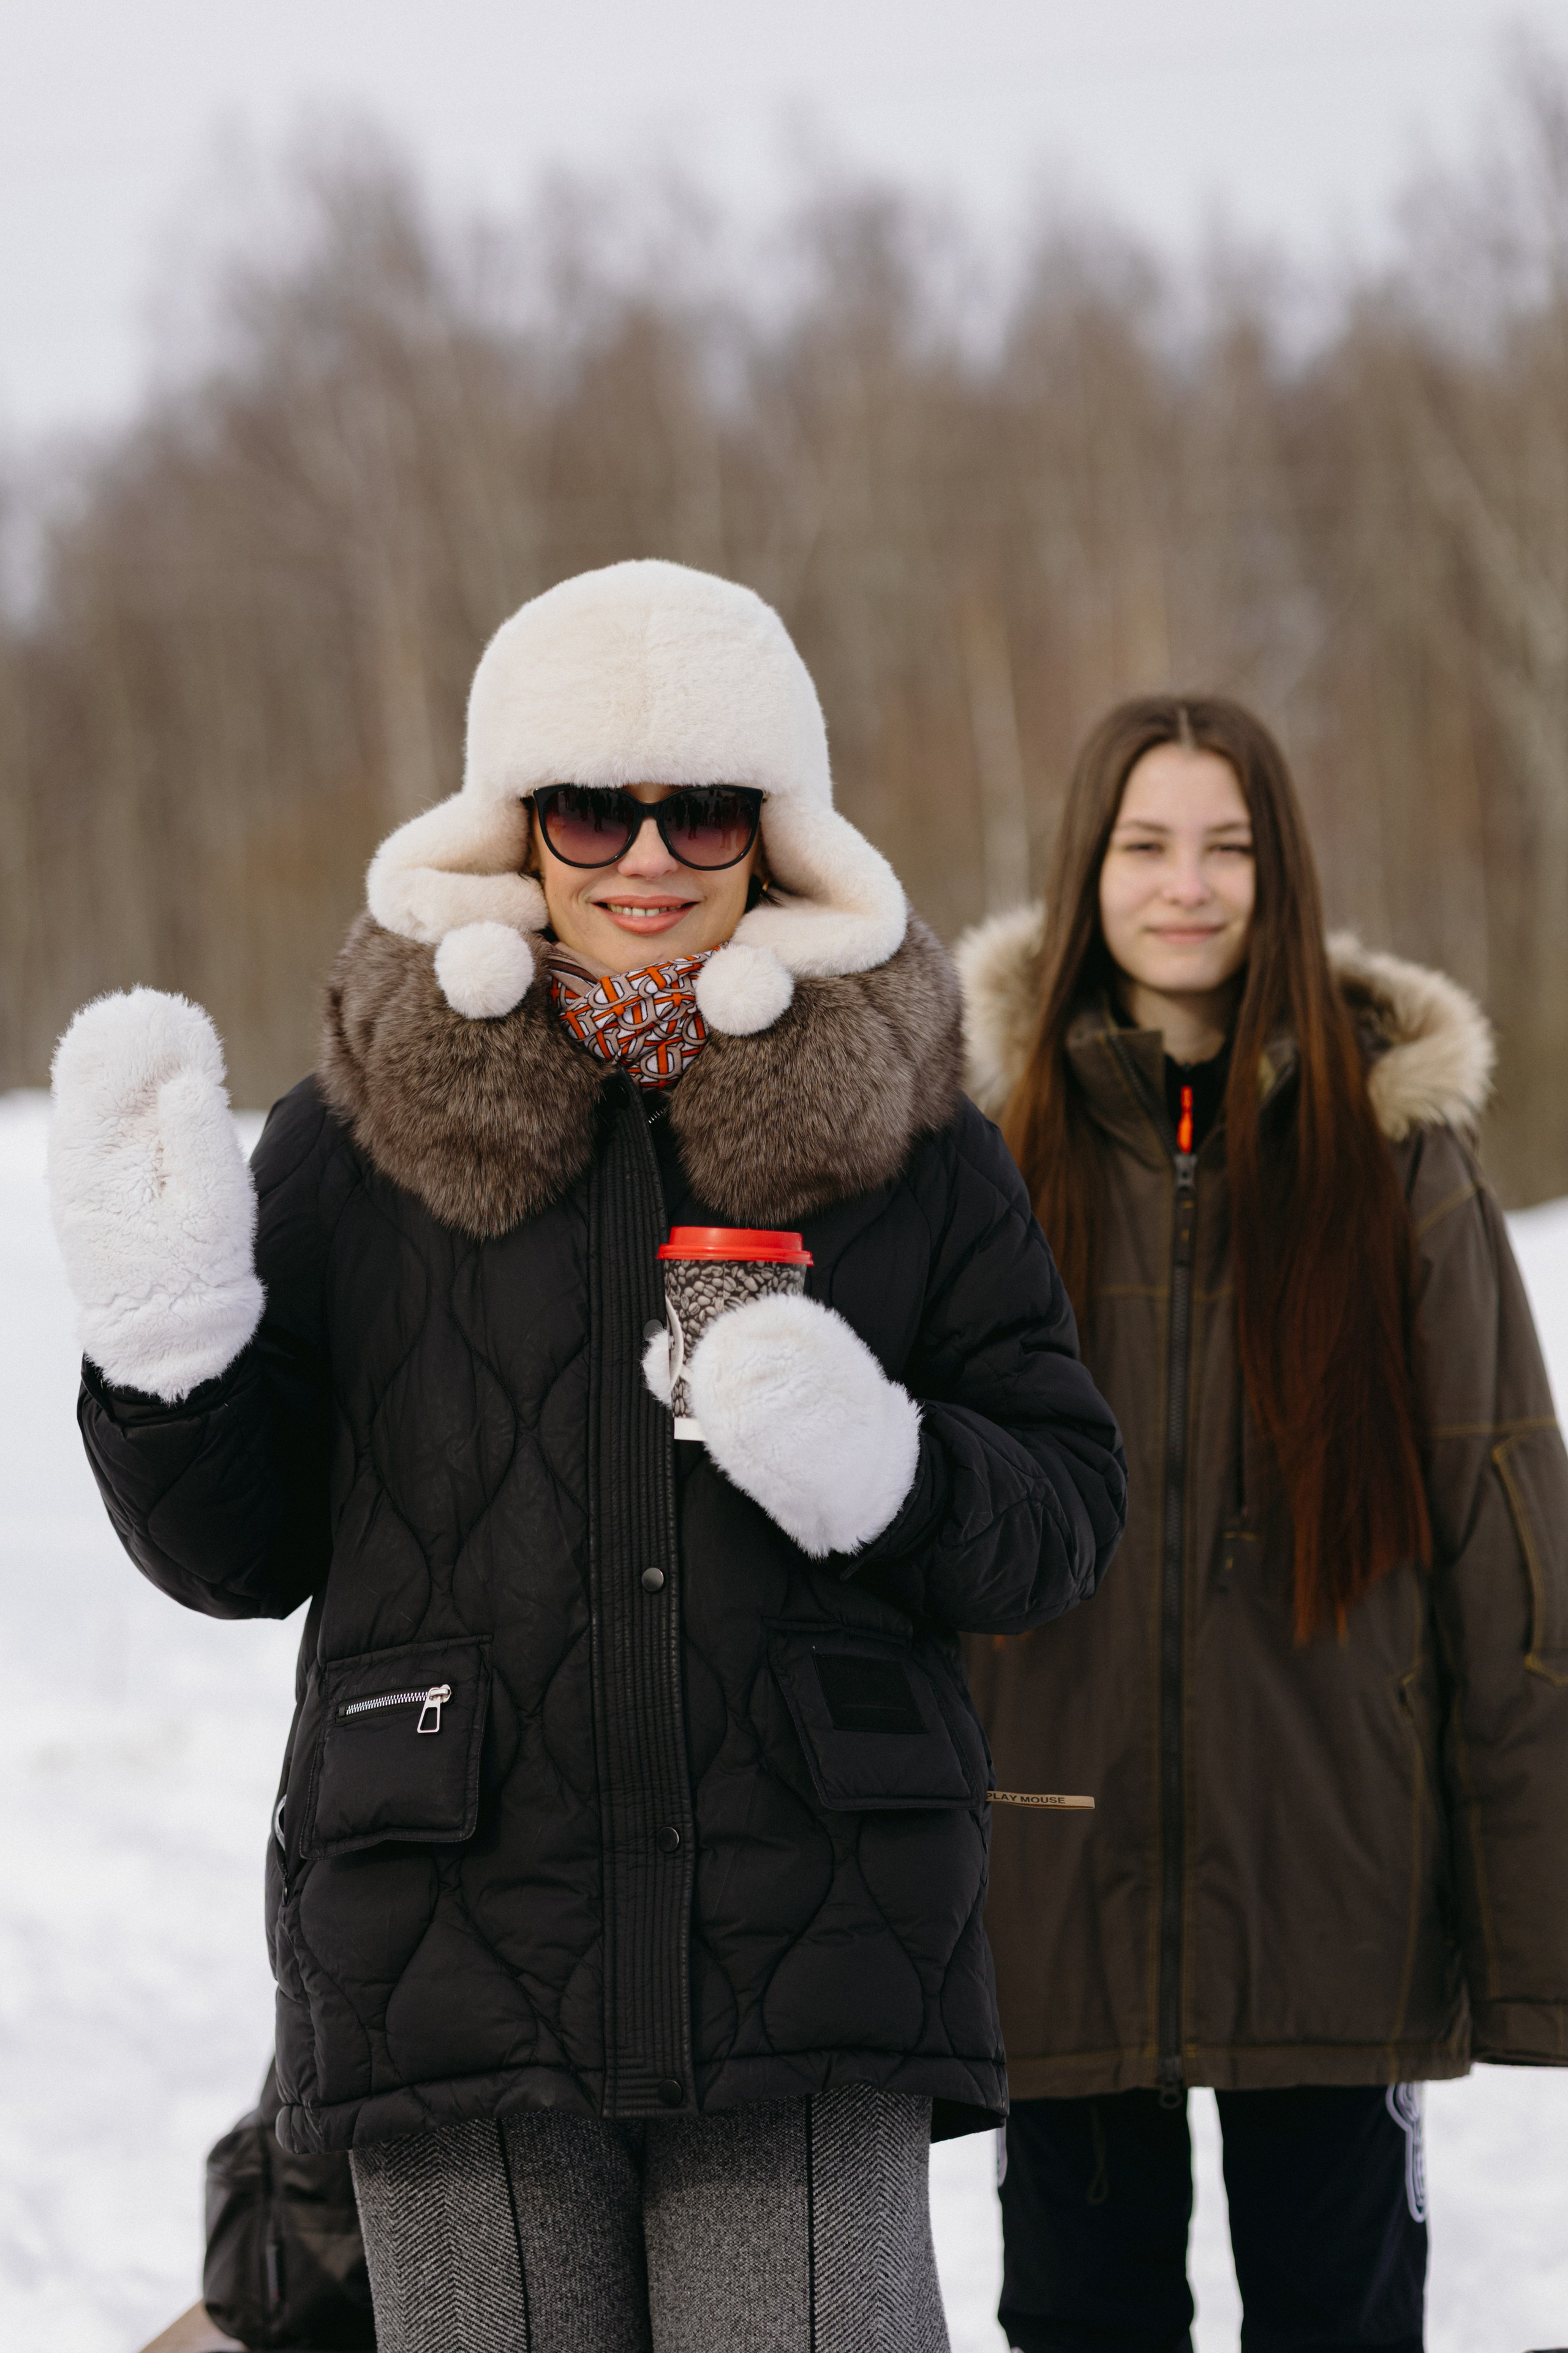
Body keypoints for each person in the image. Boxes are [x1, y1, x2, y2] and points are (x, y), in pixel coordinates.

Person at [48, 559, 1126, 2353]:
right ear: (516, 828)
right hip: (451, 1937)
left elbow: (1064, 1515)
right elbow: (238, 1552)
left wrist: (885, 1465)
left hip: (814, 1939)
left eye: (703, 808)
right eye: (590, 807)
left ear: (775, 833)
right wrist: (166, 1347)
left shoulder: (918, 1144)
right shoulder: (357, 1130)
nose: (646, 858)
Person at [957, 695, 1568, 2353]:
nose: (1188, 885)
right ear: (1088, 867)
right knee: (1081, 2319)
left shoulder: (1398, 1156)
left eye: (1228, 845)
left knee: (1342, 2323)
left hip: (1337, 1887)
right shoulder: (980, 1160)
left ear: (1280, 872)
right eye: (1148, 844)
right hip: (1057, 1879)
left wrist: (1533, 1936)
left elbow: (1508, 1552)